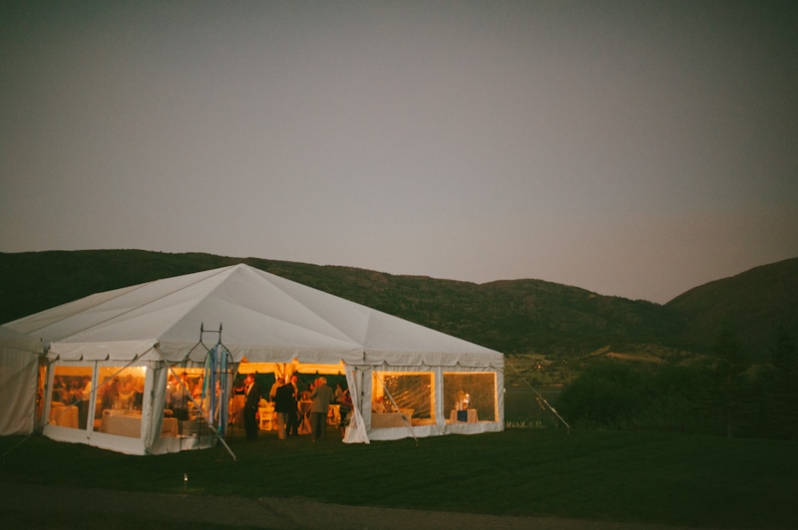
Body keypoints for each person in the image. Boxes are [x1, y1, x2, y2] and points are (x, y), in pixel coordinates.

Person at [309, 376, 333, 441]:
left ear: (320, 382)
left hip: (316, 408)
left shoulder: (317, 388)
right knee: (323, 424)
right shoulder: (329, 389)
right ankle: (323, 437)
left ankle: (314, 437)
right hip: (324, 408)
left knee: (315, 423)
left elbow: (310, 396)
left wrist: (312, 389)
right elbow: (332, 399)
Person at [243, 373, 261, 441]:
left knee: (252, 421)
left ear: (252, 379)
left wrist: (254, 406)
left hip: (252, 406)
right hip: (247, 405)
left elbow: (256, 397)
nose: (247, 379)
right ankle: (248, 435)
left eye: (248, 378)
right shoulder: (248, 386)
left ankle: (253, 436)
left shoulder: (256, 386)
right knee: (247, 421)